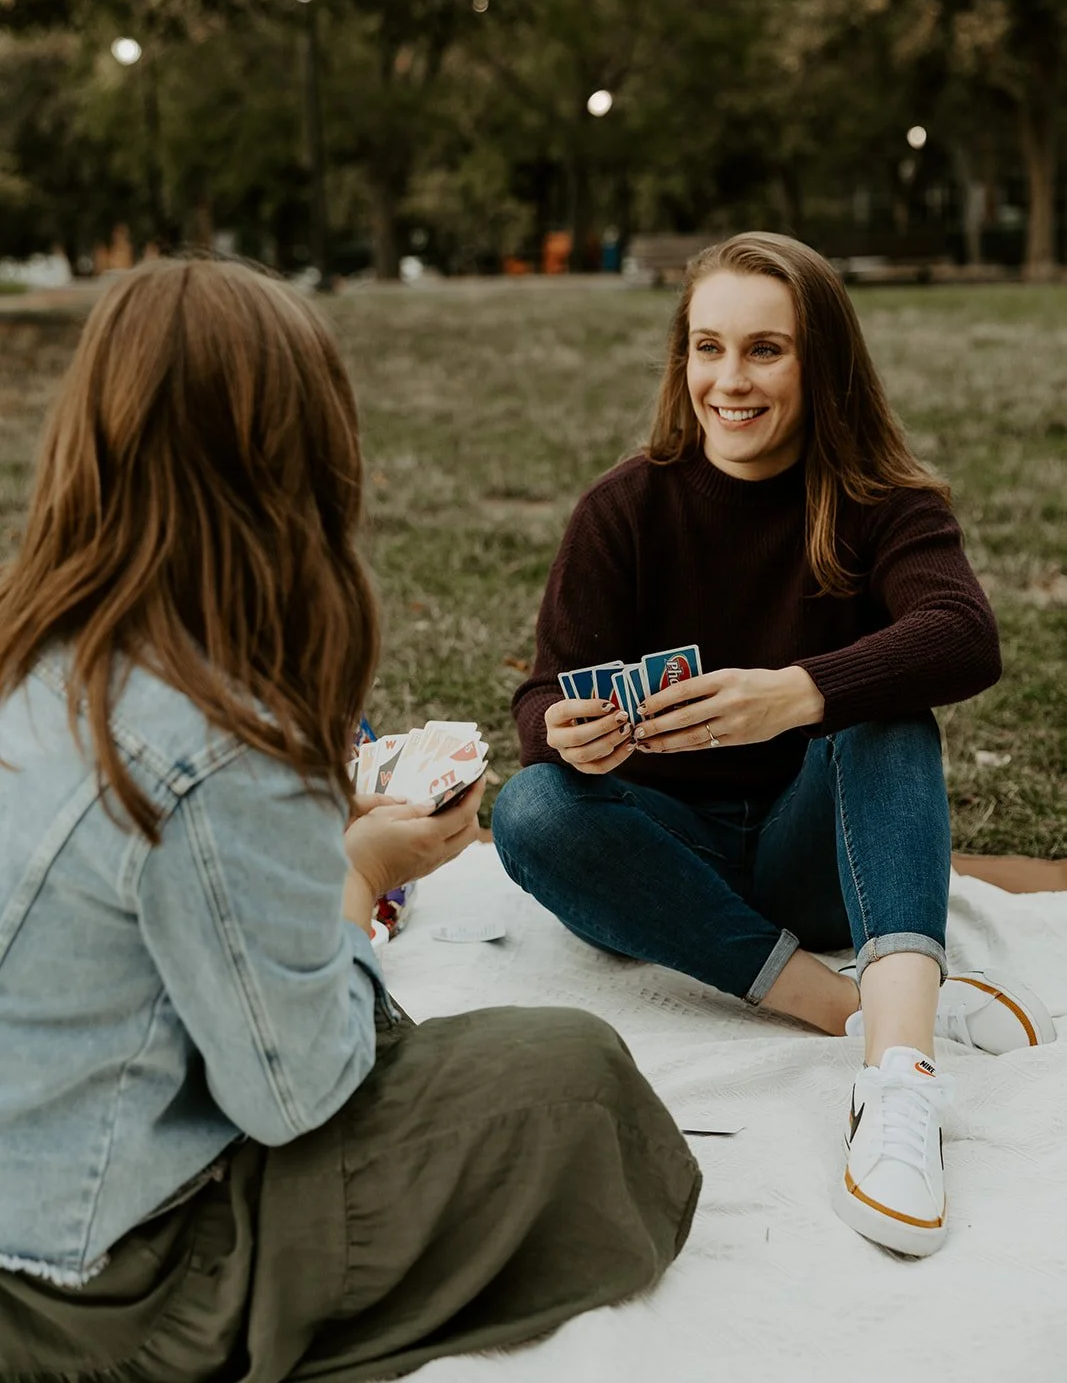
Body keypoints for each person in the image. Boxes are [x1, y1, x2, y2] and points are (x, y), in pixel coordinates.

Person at [0, 257, 701, 1382]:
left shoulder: (31, 645)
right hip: (107, 1286)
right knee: (572, 1079)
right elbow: (295, 1091)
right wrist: (358, 864)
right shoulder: (216, 732)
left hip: (41, 1193)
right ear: (294, 462)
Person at [493, 231, 1055, 1260]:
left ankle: (897, 1084)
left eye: (764, 350)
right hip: (671, 862)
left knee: (885, 712)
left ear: (819, 363)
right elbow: (540, 690)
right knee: (528, 809)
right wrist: (557, 729)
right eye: (706, 348)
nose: (727, 380)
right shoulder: (623, 507)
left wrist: (796, 694)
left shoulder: (885, 505)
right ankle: (847, 1004)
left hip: (820, 851)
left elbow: (963, 636)